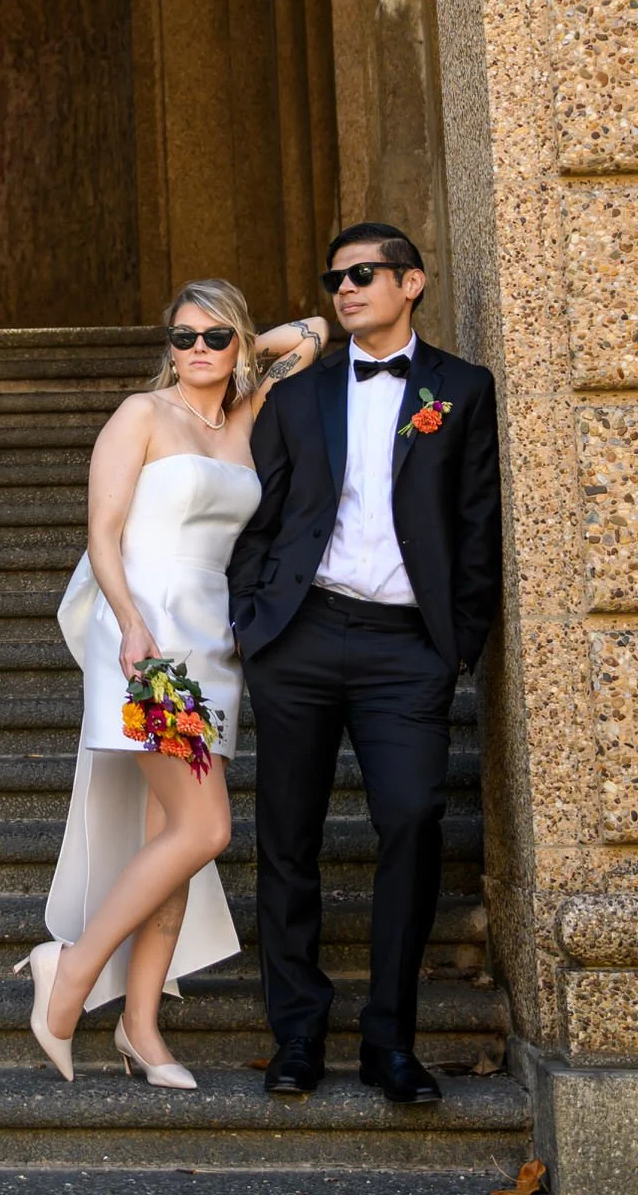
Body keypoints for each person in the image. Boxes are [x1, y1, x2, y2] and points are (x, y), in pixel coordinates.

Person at [18, 281, 335, 1087]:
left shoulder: (246, 416)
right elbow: (103, 530)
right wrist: (127, 624)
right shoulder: (140, 415)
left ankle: (142, 1026)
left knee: (176, 837)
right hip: (148, 638)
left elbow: (316, 333)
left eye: (213, 337)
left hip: (213, 643)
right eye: (181, 335)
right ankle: (71, 969)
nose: (195, 349)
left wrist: (245, 348)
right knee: (205, 829)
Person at [226, 223, 502, 1106]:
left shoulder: (460, 388)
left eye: (364, 275)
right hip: (301, 637)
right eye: (334, 279)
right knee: (287, 838)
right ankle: (297, 1035)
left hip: (403, 650)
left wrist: (456, 641)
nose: (345, 290)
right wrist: (252, 618)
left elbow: (477, 523)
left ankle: (391, 1041)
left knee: (415, 818)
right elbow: (256, 514)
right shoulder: (300, 395)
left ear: (412, 282)